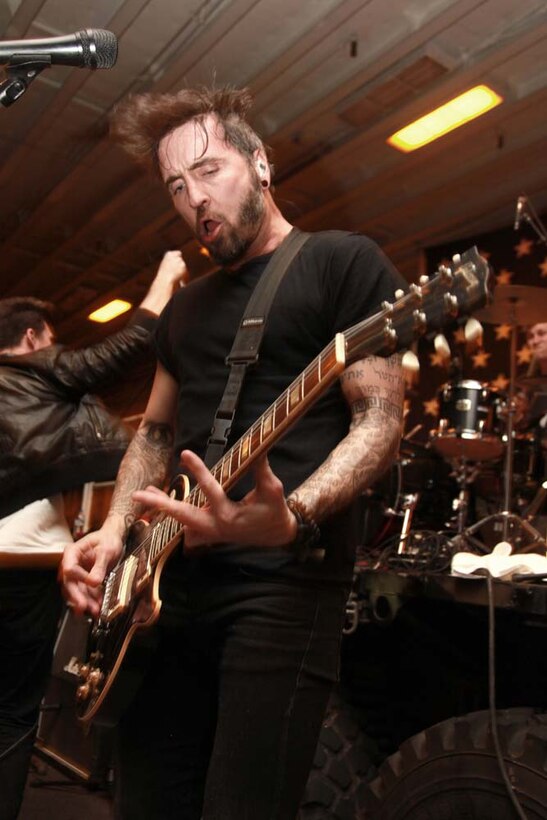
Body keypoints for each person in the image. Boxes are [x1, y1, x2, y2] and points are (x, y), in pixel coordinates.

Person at [62, 86, 406, 820]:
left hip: (282, 586)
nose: (193, 199)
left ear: (261, 164)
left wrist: (293, 516)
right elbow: (155, 434)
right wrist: (115, 531)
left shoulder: (342, 263)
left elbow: (379, 417)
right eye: (175, 187)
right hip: (167, 589)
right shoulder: (183, 308)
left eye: (209, 170)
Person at [0, 250, 186, 820]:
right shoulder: (37, 371)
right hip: (19, 572)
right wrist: (164, 281)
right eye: (51, 340)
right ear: (32, 338)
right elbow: (126, 349)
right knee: (12, 713)